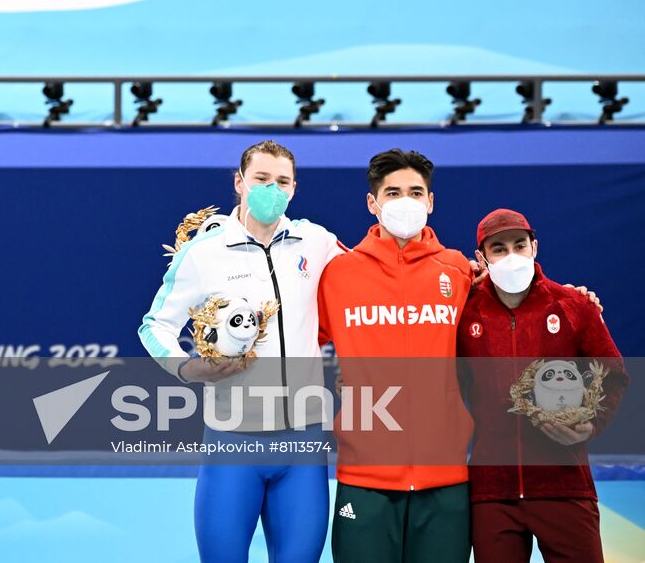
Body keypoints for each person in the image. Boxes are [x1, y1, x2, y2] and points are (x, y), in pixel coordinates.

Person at [139, 140, 342, 563]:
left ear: (294, 188)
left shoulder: (316, 242)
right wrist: (188, 368)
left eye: (282, 181)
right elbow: (154, 326)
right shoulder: (203, 253)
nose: (272, 189)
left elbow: (368, 279)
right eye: (261, 179)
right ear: (239, 182)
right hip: (231, 445)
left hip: (303, 443)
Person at [317, 148, 474, 563]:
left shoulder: (458, 270)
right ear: (373, 203)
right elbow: (290, 340)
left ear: (431, 201)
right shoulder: (339, 273)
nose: (405, 201)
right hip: (364, 476)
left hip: (446, 476)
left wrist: (575, 301)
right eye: (392, 192)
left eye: (416, 191)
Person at [456, 208, 628, 563]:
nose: (511, 255)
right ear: (482, 257)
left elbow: (614, 373)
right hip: (492, 492)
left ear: (534, 247)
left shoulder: (573, 304)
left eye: (519, 245)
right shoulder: (464, 313)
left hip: (565, 485)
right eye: (499, 248)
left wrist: (590, 424)